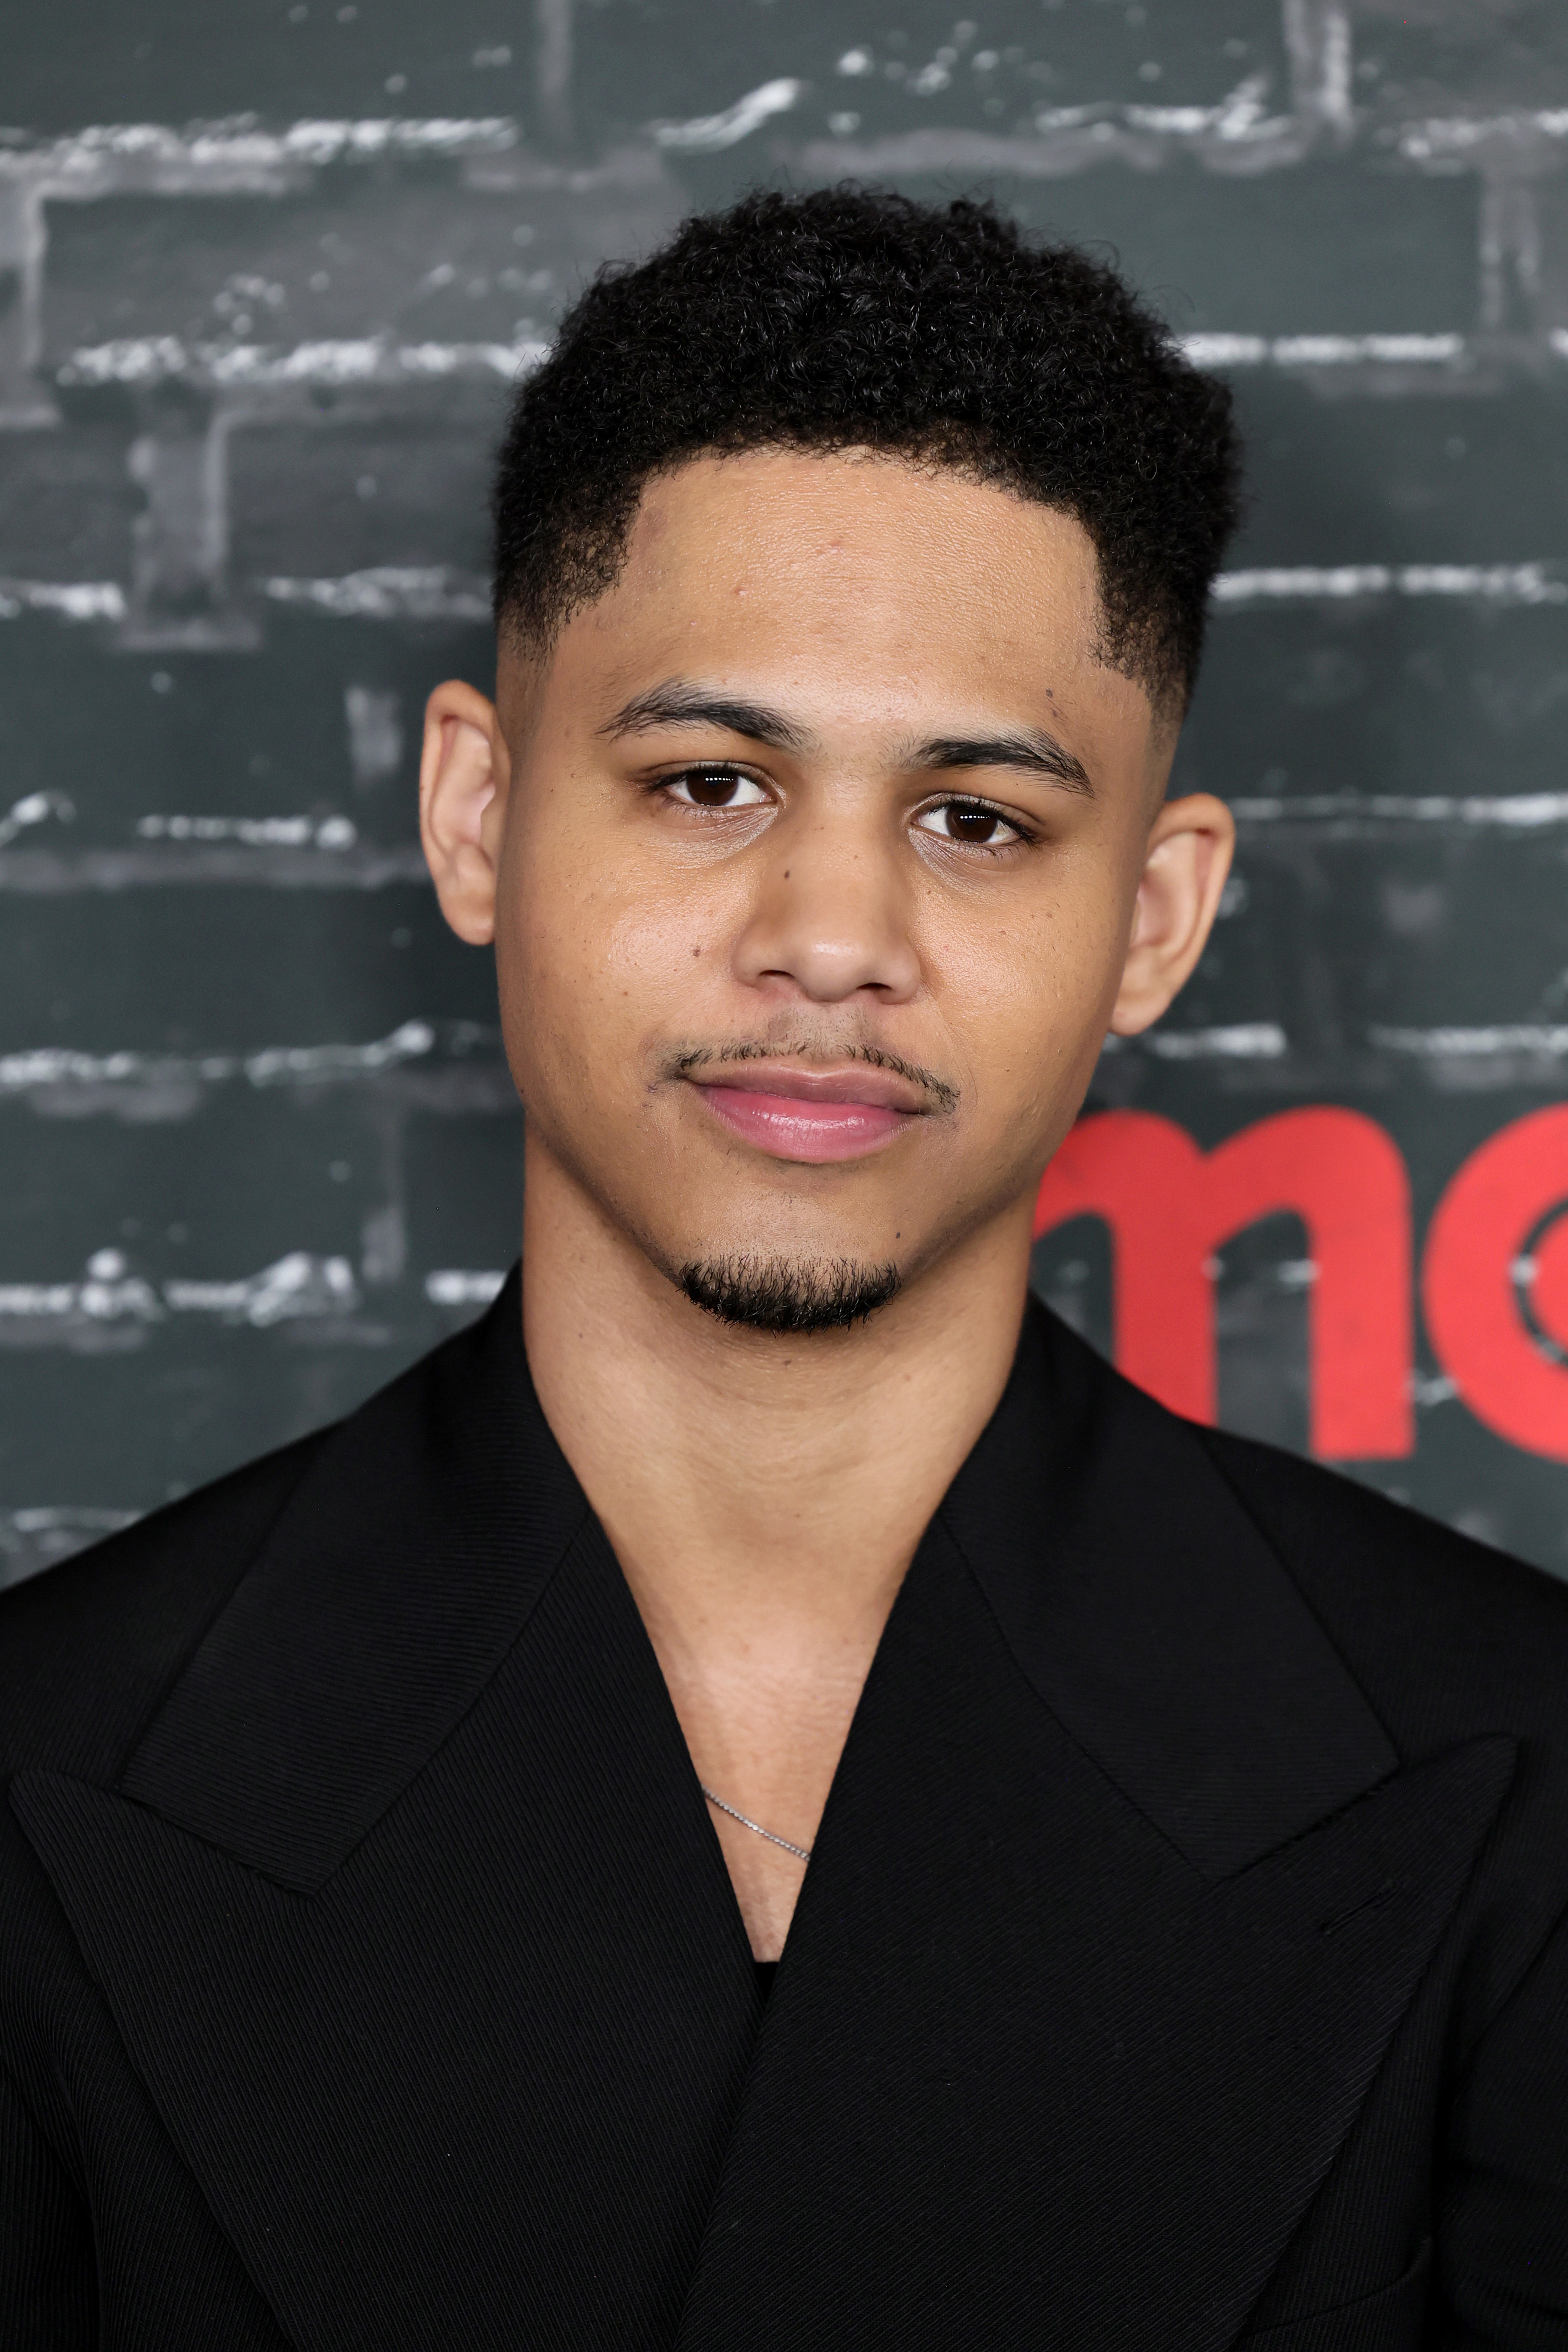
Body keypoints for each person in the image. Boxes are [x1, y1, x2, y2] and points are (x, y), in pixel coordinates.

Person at [2, 187, 1566, 2352]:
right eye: (713, 780)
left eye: (978, 822)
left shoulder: (1522, 1778)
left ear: (1155, 920)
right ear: (476, 816)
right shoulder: (42, 1770)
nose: (834, 935)